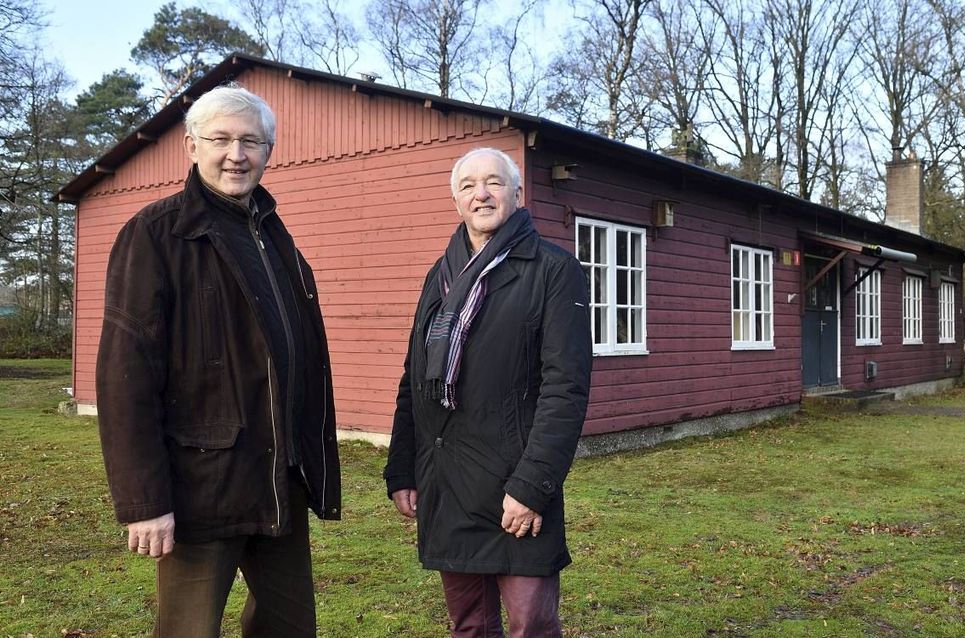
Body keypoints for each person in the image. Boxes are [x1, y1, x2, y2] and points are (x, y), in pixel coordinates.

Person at [95, 83, 340, 637]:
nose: (237, 154)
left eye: (251, 141)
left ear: (268, 152)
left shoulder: (275, 236)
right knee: (189, 629)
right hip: (200, 483)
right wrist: (144, 501)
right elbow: (124, 377)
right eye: (222, 139)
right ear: (191, 147)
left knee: (289, 625)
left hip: (279, 477)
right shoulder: (157, 234)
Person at [384, 147, 593, 637]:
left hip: (513, 487)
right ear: (455, 201)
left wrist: (531, 487)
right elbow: (412, 380)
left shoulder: (553, 270)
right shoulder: (439, 277)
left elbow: (566, 389)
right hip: (447, 482)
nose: (481, 194)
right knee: (469, 626)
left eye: (495, 182)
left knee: (530, 625)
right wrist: (402, 469)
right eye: (468, 185)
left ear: (518, 195)